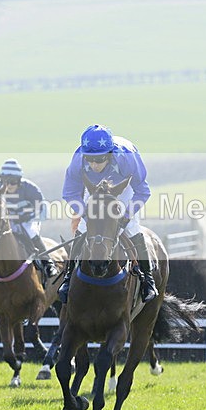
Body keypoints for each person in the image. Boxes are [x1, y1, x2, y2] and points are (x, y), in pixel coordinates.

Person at [58, 124, 158, 303]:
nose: (94, 165)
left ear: (110, 155)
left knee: (132, 228)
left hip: (123, 188)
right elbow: (70, 193)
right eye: (90, 159)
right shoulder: (78, 161)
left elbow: (143, 191)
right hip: (95, 189)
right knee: (82, 227)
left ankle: (147, 280)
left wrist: (126, 216)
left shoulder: (126, 158)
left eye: (100, 159)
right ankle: (67, 277)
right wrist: (87, 215)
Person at [0, 158, 59, 288]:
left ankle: (48, 263)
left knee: (31, 232)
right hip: (10, 223)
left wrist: (28, 215)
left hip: (29, 221)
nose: (8, 185)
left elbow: (43, 209)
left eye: (12, 181)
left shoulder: (31, 189)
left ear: (19, 180)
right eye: (5, 181)